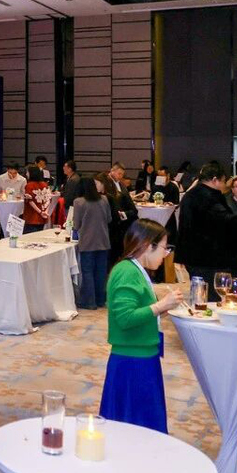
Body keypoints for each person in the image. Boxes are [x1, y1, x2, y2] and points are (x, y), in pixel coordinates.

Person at [99, 219, 180, 433]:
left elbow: (137, 311)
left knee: (140, 428)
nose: (166, 254)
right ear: (147, 246)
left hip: (141, 354)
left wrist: (161, 308)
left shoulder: (135, 270)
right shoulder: (127, 272)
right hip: (132, 361)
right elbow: (125, 318)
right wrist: (159, 306)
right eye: (163, 248)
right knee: (135, 429)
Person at [175, 162, 237, 301]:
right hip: (209, 256)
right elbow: (223, 220)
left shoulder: (192, 194)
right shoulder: (208, 196)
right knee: (213, 295)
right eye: (223, 181)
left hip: (195, 253)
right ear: (215, 179)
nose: (224, 185)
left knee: (201, 292)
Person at [74, 175, 113, 309]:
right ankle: (101, 300)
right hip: (103, 240)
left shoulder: (79, 202)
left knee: (87, 271)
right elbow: (109, 219)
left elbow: (76, 224)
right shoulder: (104, 199)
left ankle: (89, 301)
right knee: (101, 271)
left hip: (87, 241)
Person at [103, 163, 138, 269]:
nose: (120, 176)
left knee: (119, 251)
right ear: (112, 171)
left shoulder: (121, 185)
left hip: (122, 223)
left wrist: (127, 214)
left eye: (122, 174)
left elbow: (130, 205)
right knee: (111, 254)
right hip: (112, 223)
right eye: (119, 173)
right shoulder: (106, 184)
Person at [22, 167, 51, 233]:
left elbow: (30, 201)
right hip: (42, 217)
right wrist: (45, 211)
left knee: (29, 236)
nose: (26, 174)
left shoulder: (29, 185)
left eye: (28, 172)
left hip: (31, 216)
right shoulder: (45, 184)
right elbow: (49, 199)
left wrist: (40, 212)